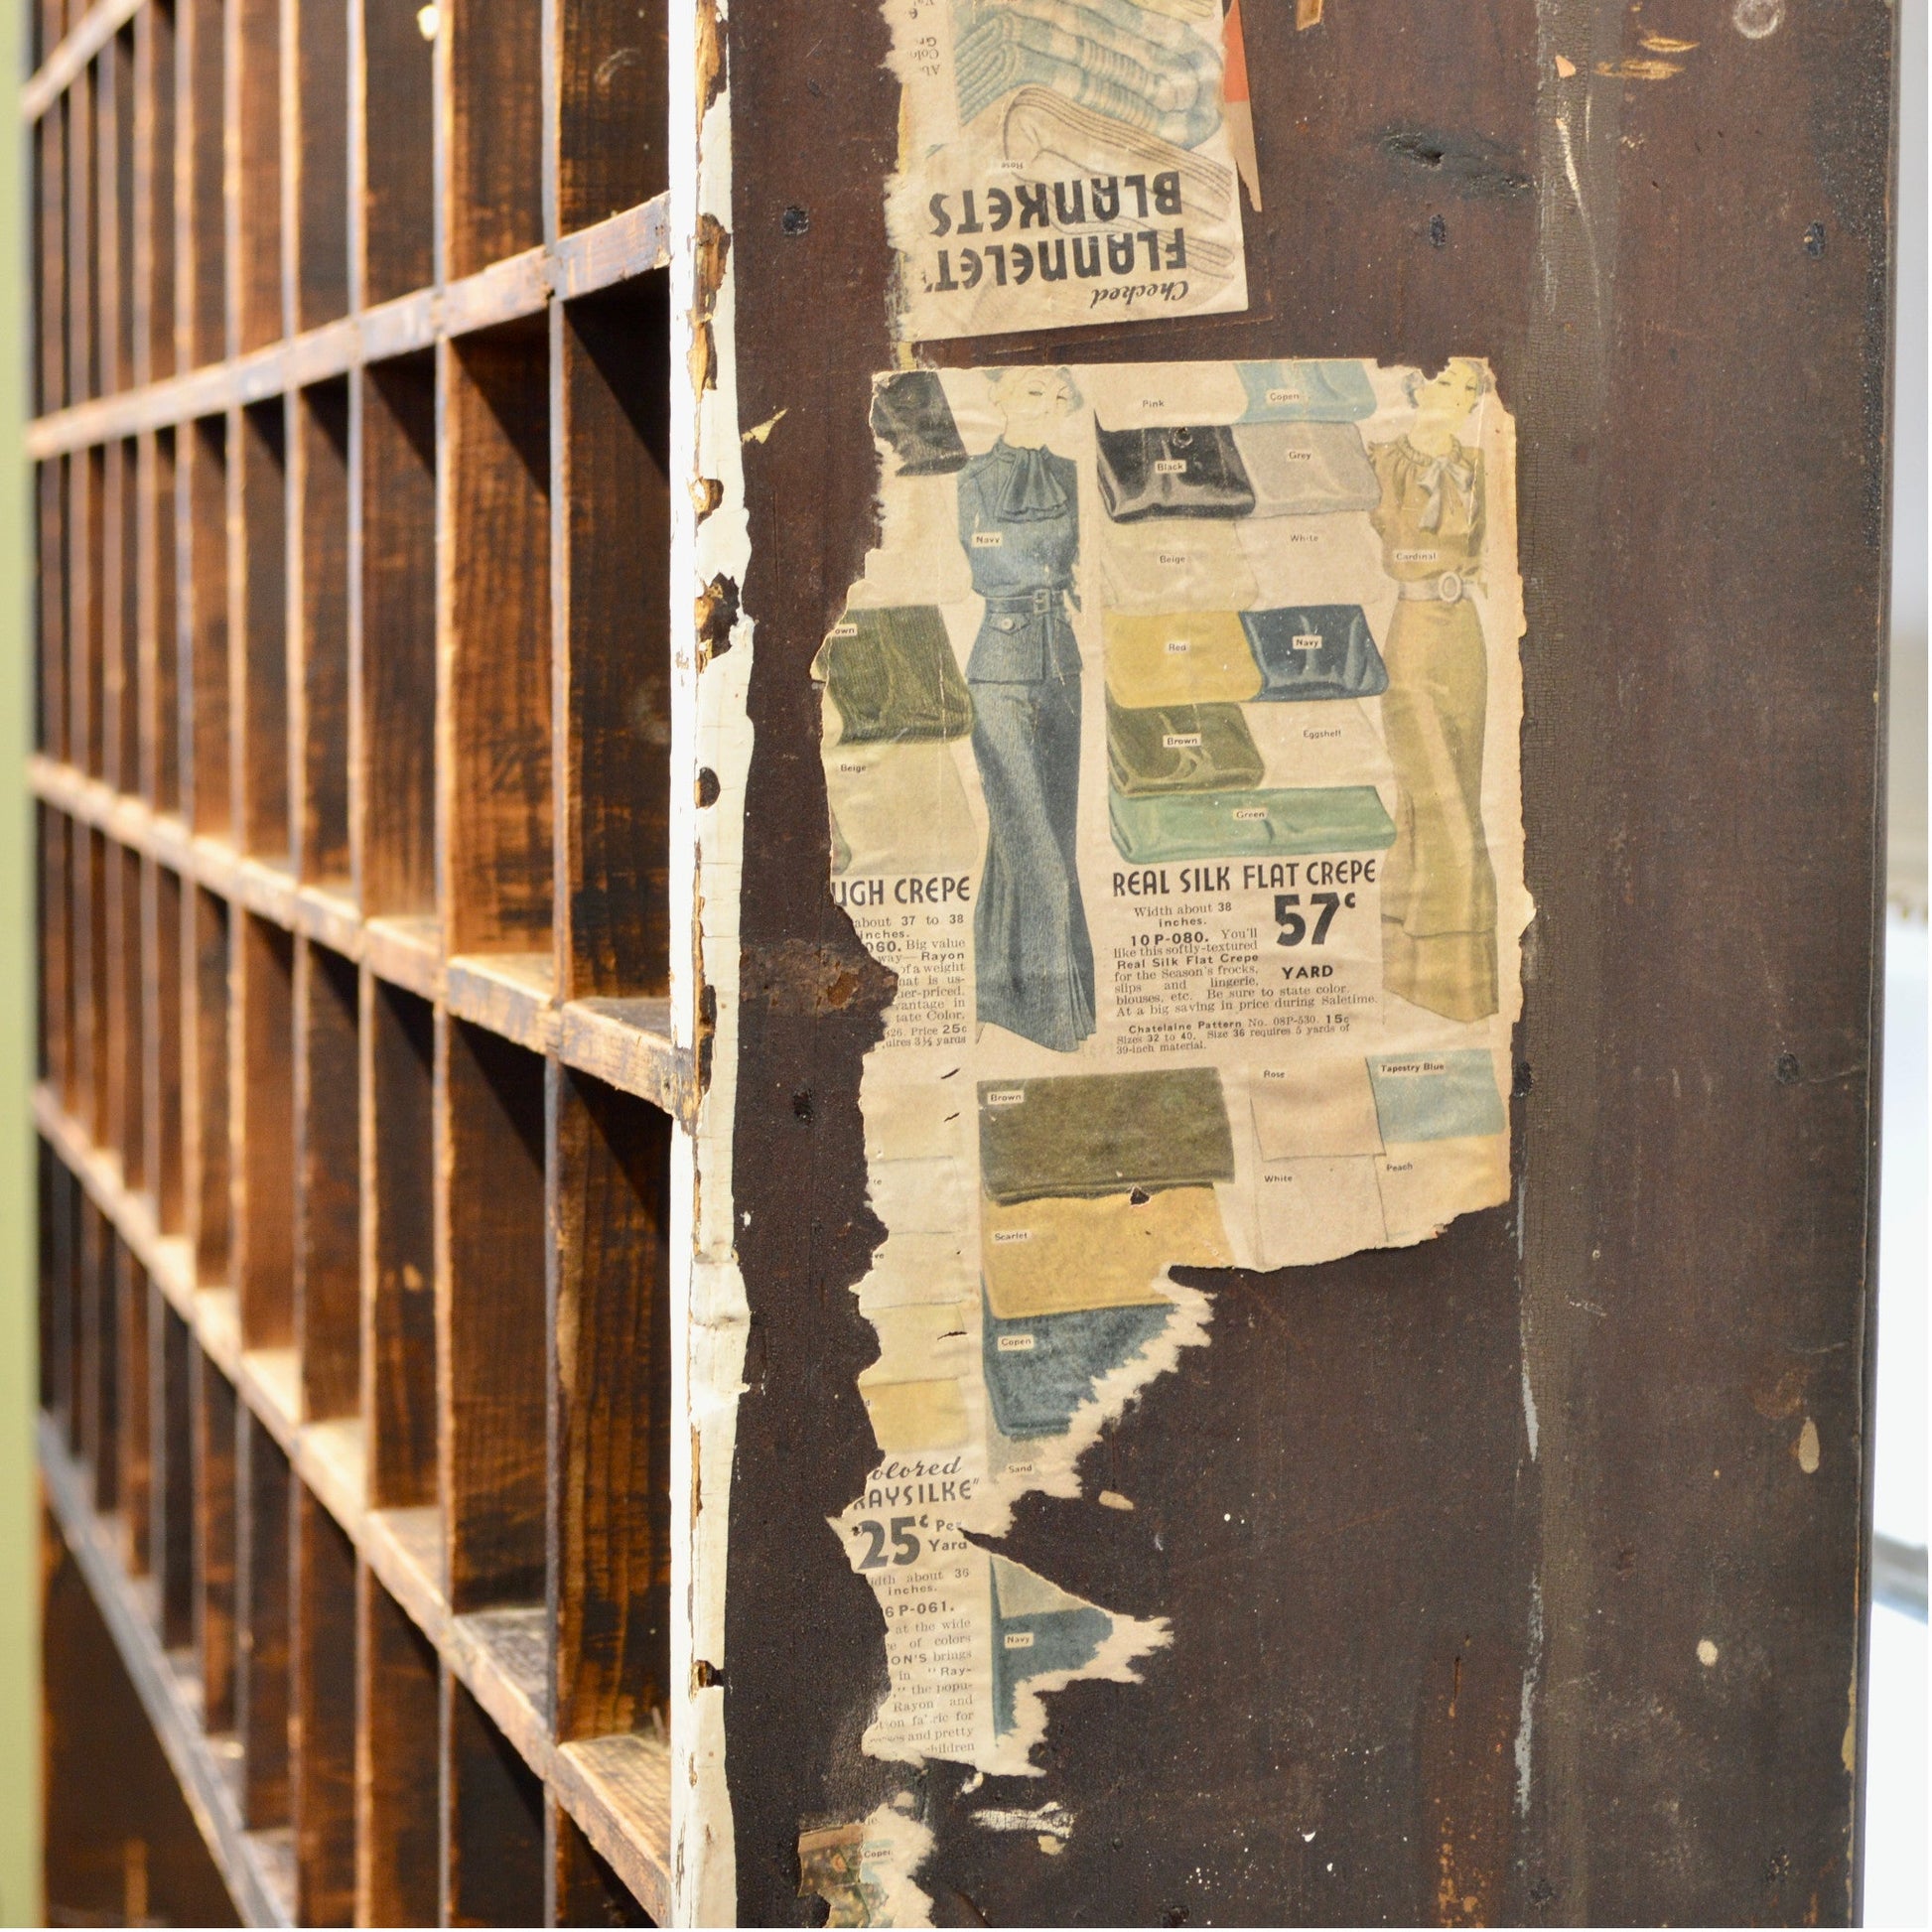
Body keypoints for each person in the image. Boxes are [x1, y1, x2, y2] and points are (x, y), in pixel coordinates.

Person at [957, 367, 1096, 1053]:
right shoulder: (973, 480)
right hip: (1000, 675)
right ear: (1000, 396)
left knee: (1039, 845)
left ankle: (1002, 1000)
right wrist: (1056, 573)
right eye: (1034, 390)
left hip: (1061, 668)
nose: (1050, 404)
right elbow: (990, 567)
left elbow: (1085, 568)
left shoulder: (1073, 475)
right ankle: (1061, 1027)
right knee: (1038, 856)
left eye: (1058, 392)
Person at [1370, 358, 1499, 1023]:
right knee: (1436, 812)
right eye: (1451, 381)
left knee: (1459, 810)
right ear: (1418, 384)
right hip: (1413, 638)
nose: (1464, 396)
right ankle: (1457, 997)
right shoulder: (1381, 460)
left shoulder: (1483, 463)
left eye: (1473, 388)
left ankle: (1418, 982)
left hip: (1465, 640)